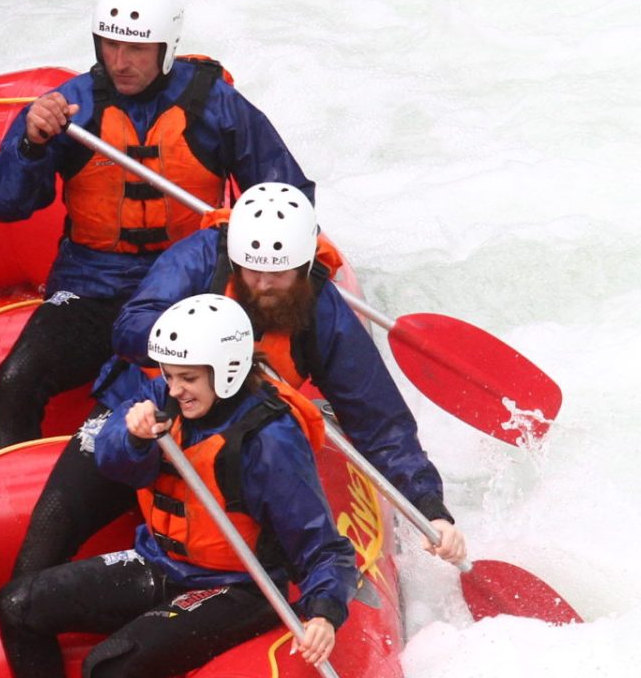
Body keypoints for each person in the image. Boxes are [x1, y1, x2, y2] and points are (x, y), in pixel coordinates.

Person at [0, 0, 312, 448]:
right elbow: (5, 204)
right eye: (110, 45)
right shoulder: (70, 108)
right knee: (16, 377)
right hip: (91, 289)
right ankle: (9, 495)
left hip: (187, 285)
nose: (120, 62)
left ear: (166, 48)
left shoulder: (214, 105)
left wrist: (280, 261)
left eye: (136, 50)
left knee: (212, 397)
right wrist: (31, 145)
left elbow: (285, 190)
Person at [0, 295, 354, 678]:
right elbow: (113, 461)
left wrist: (325, 611)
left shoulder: (269, 442)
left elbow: (321, 544)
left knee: (108, 665)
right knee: (17, 605)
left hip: (236, 588)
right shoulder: (163, 397)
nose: (174, 389)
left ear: (227, 372)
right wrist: (132, 438)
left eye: (187, 378)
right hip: (161, 563)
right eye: (168, 376)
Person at [114, 182, 466, 564]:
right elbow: (129, 327)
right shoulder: (199, 259)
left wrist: (430, 507)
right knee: (68, 506)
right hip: (154, 418)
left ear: (303, 266)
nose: (264, 284)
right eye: (252, 271)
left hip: (245, 447)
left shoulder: (321, 310)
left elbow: (379, 422)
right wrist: (204, 344)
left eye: (278, 274)